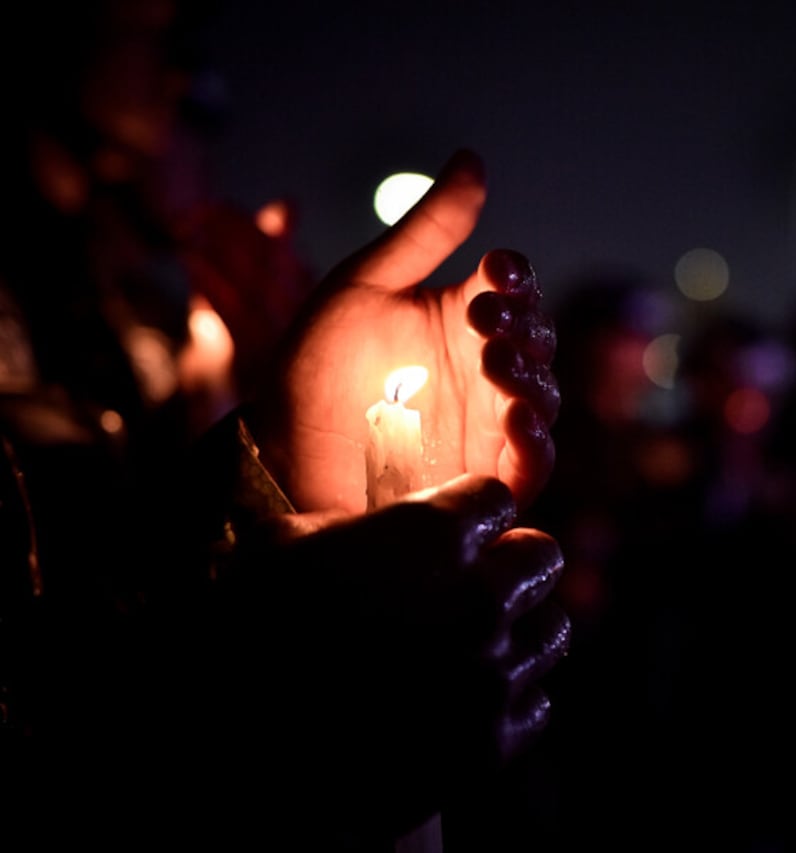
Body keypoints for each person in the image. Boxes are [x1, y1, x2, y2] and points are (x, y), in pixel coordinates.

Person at [0, 6, 568, 848]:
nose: (181, 77)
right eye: (151, 27)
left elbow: (80, 619)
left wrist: (267, 468)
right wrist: (242, 736)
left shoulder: (88, 306)